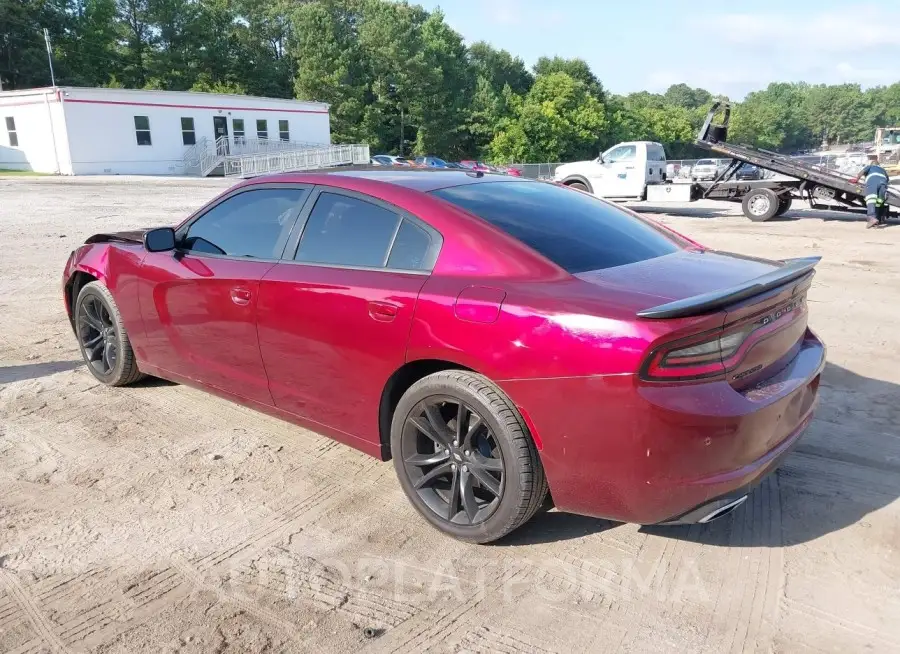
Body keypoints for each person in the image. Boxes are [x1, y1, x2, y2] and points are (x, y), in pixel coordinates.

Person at [851, 155, 889, 228]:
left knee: (871, 199)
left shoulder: (870, 166)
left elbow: (862, 172)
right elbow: (887, 179)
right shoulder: (883, 170)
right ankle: (877, 218)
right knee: (879, 201)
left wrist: (857, 179)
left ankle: (871, 218)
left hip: (873, 182)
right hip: (883, 184)